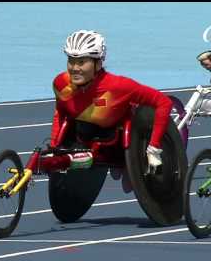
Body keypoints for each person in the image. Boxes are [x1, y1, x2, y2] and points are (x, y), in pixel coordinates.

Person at [50, 30, 173, 191]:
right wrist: (54, 146)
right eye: (71, 61)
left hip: (120, 143)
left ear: (98, 64)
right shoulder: (61, 84)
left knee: (129, 186)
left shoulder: (118, 86)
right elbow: (61, 114)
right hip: (83, 137)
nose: (74, 68)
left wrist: (154, 149)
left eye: (81, 62)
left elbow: (163, 102)